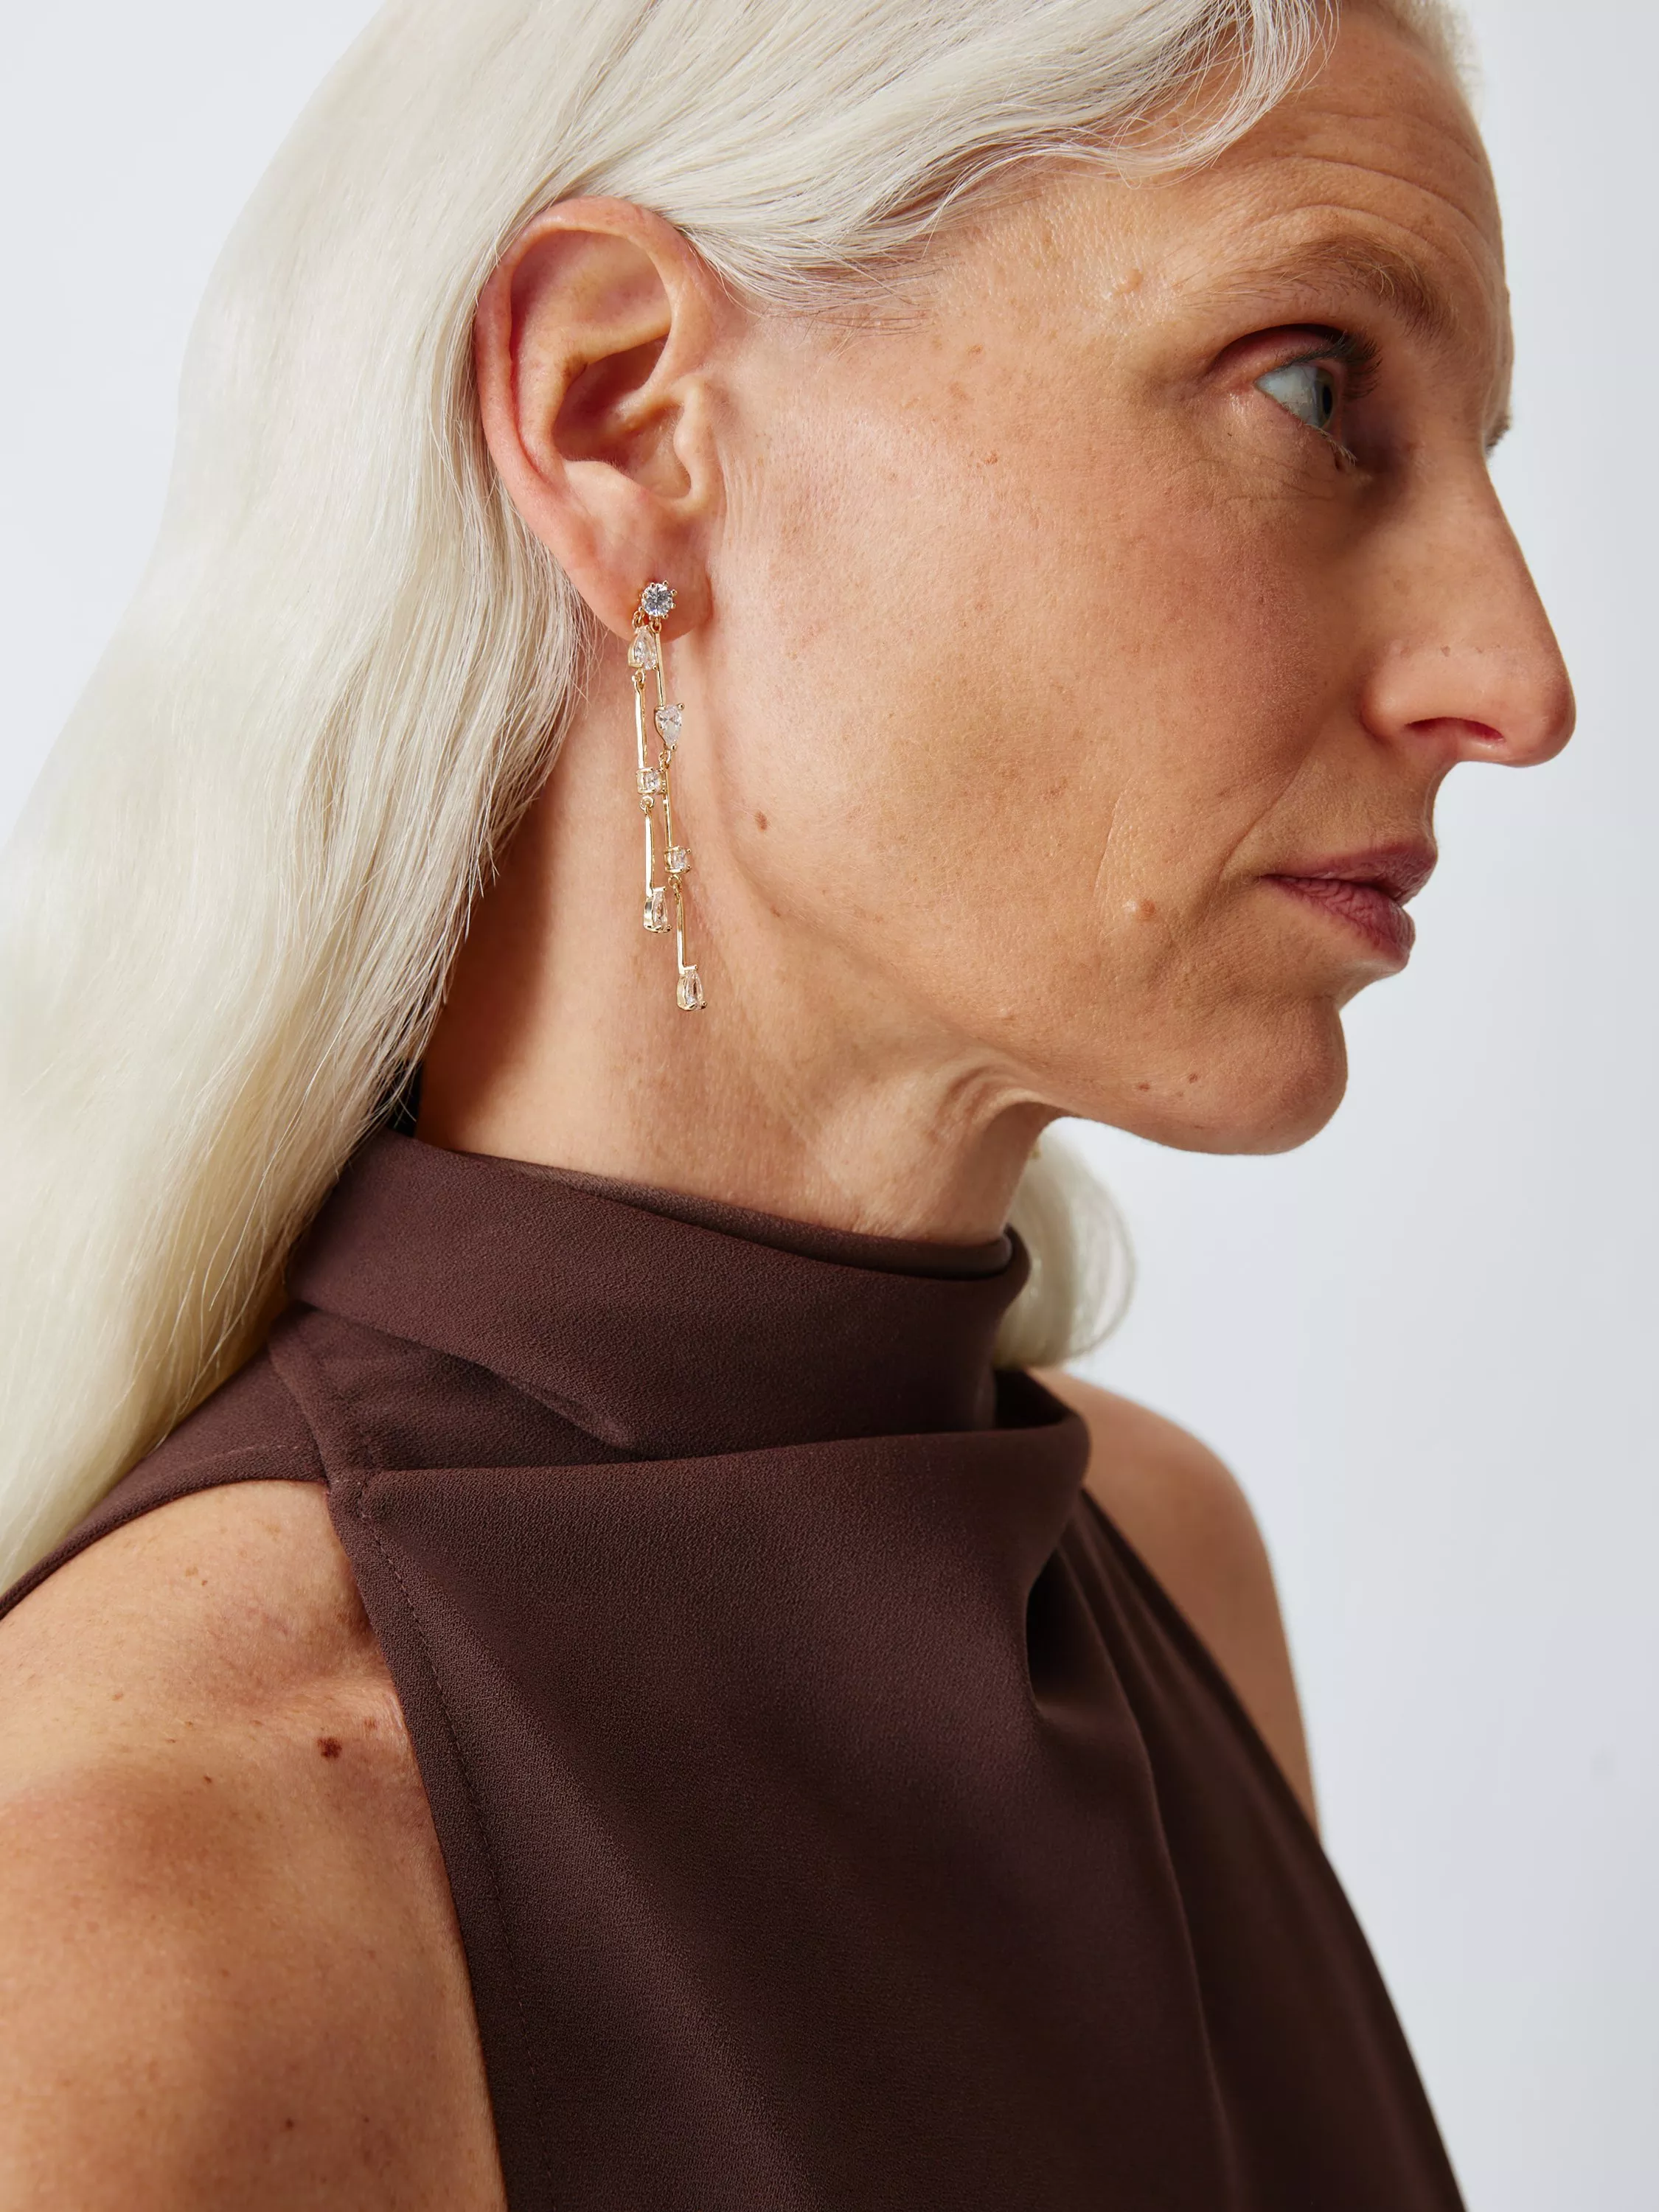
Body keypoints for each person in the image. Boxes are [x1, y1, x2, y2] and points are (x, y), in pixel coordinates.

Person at [0, 0, 1572, 2204]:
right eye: (1312, 387)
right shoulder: (133, 1886)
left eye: (1483, 453)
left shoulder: (1159, 1572)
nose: (1518, 681)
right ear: (622, 410)